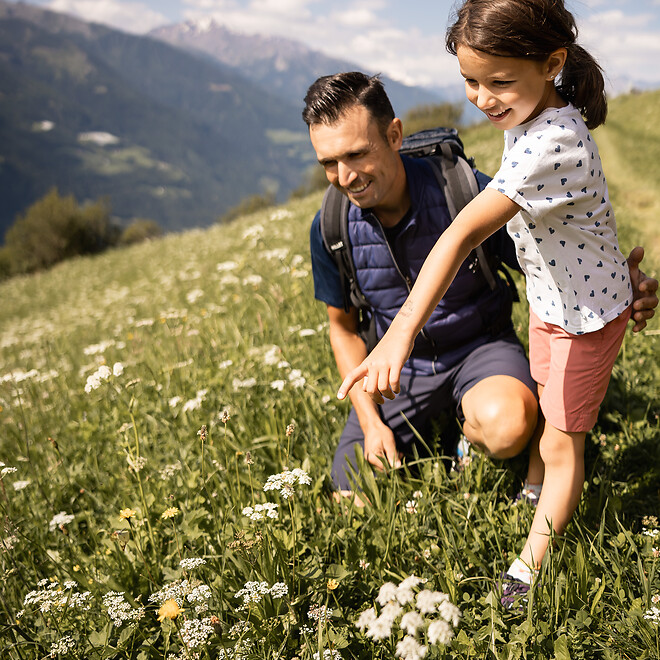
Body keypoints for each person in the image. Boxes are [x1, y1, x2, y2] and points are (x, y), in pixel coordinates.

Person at [335, 0, 657, 607]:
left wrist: (400, 332)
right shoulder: (530, 118)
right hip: (556, 302)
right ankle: (534, 484)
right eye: (470, 81)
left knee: (564, 445)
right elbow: (579, 224)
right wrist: (624, 277)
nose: (482, 98)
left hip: (583, 321)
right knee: (543, 397)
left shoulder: (550, 143)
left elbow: (459, 234)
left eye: (498, 81)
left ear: (551, 63)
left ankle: (527, 571)